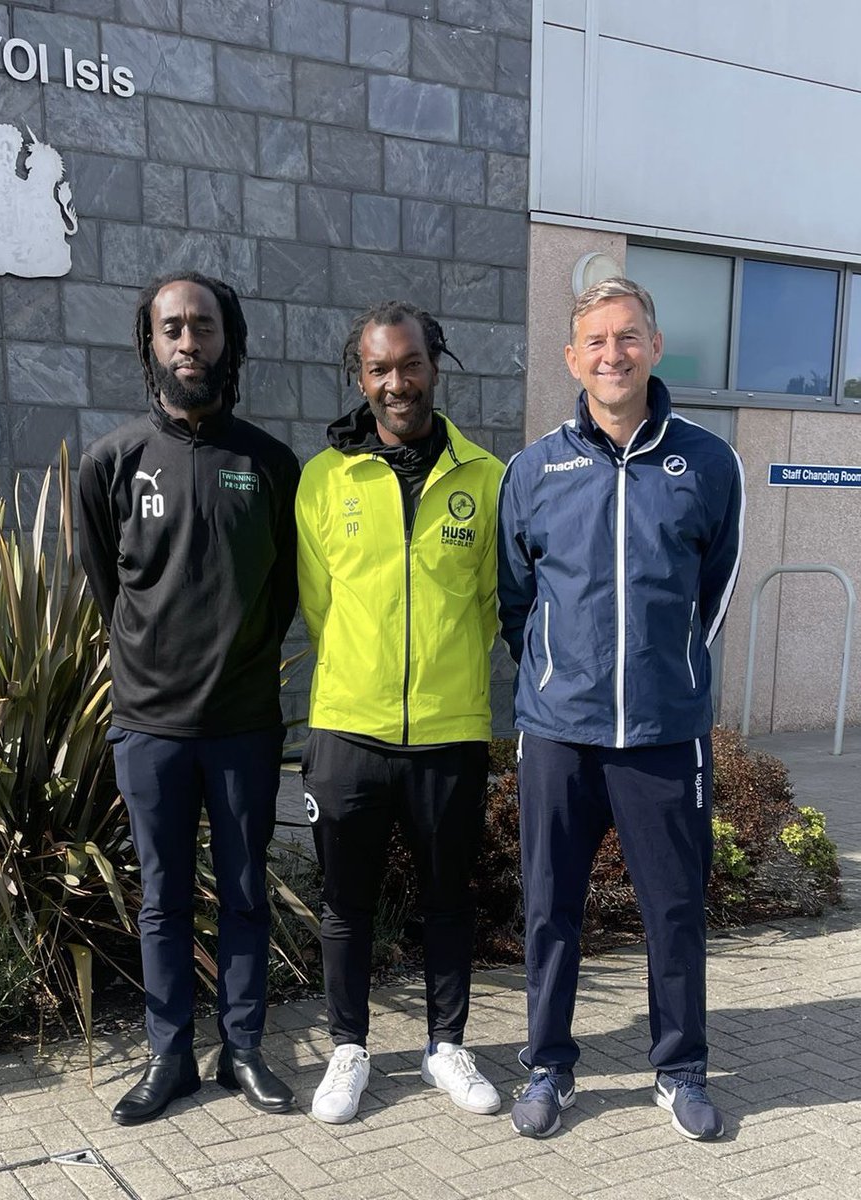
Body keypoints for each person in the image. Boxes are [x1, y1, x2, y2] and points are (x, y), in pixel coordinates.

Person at [498, 277, 745, 1142]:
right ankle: (549, 1068)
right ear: (572, 358)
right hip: (558, 734)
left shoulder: (709, 462)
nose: (613, 354)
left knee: (674, 909)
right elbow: (515, 603)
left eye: (628, 336)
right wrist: (559, 675)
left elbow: (713, 592)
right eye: (596, 340)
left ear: (654, 344)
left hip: (663, 736)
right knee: (550, 907)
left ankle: (679, 1069)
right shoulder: (534, 471)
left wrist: (667, 673)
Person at [79, 271, 301, 1125]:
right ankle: (168, 1055)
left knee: (246, 893)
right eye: (172, 328)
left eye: (203, 328)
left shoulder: (271, 464)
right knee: (163, 900)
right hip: (150, 727)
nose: (188, 344)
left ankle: (242, 1049)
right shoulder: (111, 463)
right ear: (151, 343)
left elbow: (281, 593)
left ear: (227, 342)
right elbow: (110, 589)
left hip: (243, 724)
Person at [295, 299, 506, 1124]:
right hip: (348, 728)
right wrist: (368, 677)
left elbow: (492, 604)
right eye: (379, 369)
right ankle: (349, 1048)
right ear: (361, 377)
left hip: (450, 732)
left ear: (434, 364)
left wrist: (441, 681)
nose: (397, 383)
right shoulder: (324, 479)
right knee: (346, 902)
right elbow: (319, 605)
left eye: (409, 364)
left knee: (448, 898)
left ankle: (445, 1045)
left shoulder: (485, 479)